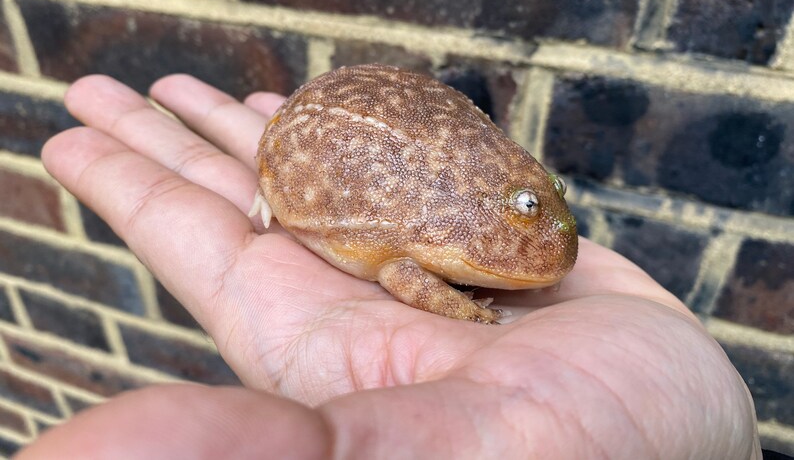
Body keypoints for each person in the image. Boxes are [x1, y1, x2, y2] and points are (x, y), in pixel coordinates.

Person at [19, 74, 760, 459]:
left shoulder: (487, 195)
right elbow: (403, 274)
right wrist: (466, 306)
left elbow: (415, 263)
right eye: (529, 211)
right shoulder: (446, 228)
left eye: (541, 203)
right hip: (313, 147)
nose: (547, 231)